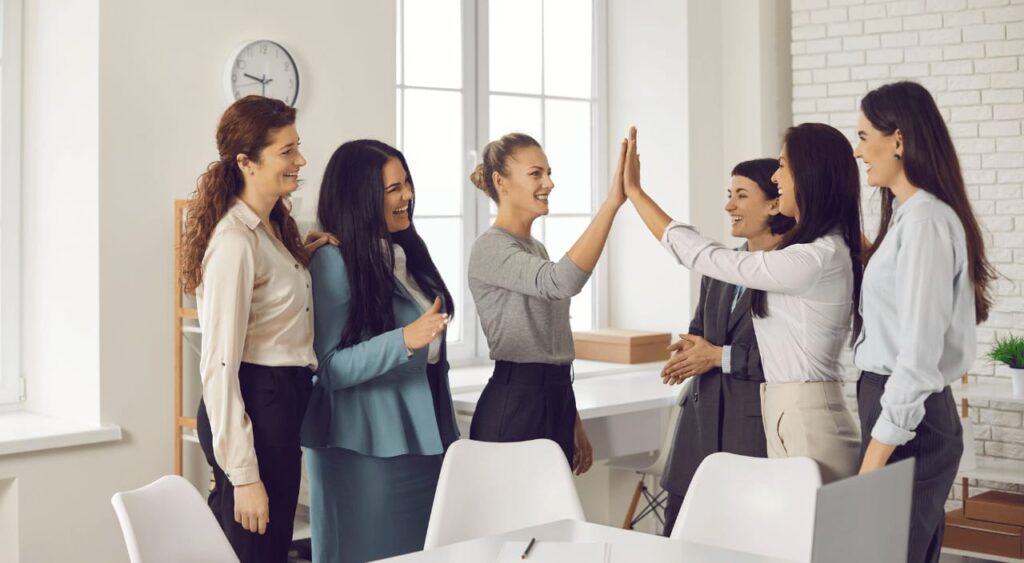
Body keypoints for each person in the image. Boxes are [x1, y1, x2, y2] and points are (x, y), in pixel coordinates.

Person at [622, 125, 863, 483]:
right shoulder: (820, 250)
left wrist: (636, 194)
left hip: (804, 415)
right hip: (786, 409)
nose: (777, 176)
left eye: (783, 165)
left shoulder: (814, 259)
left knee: (807, 535)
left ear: (809, 174)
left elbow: (707, 257)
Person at [181, 95, 334, 562]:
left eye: (298, 147)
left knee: (259, 548)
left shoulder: (271, 229)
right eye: (287, 151)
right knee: (256, 553)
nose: (301, 160)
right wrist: (245, 475)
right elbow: (219, 364)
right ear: (246, 162)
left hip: (277, 403)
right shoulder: (234, 241)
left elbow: (270, 305)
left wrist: (303, 255)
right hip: (253, 405)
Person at [853, 81, 995, 563]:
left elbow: (916, 357)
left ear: (898, 139)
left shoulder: (927, 222)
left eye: (863, 135)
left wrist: (874, 459)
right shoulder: (907, 218)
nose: (858, 151)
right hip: (892, 407)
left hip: (908, 417)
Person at [300, 140, 460, 563]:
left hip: (426, 443)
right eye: (393, 188)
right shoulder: (331, 261)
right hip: (363, 451)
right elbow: (329, 368)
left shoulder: (405, 254)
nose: (407, 195)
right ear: (360, 196)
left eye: (406, 183)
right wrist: (405, 339)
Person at [467, 132, 629, 474]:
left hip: (554, 397)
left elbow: (550, 343)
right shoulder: (491, 248)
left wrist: (572, 417)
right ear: (501, 181)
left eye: (549, 172)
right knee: (516, 522)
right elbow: (562, 281)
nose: (549, 183)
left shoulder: (535, 249)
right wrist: (611, 204)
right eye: (536, 173)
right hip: (516, 405)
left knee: (550, 523)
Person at [659, 158, 794, 536]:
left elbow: (793, 359)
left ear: (773, 204)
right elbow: (700, 328)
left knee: (742, 540)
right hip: (698, 428)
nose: (729, 205)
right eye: (728, 195)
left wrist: (718, 357)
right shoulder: (720, 264)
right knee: (680, 538)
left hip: (750, 431)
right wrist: (688, 351)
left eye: (741, 195)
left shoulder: (792, 268)